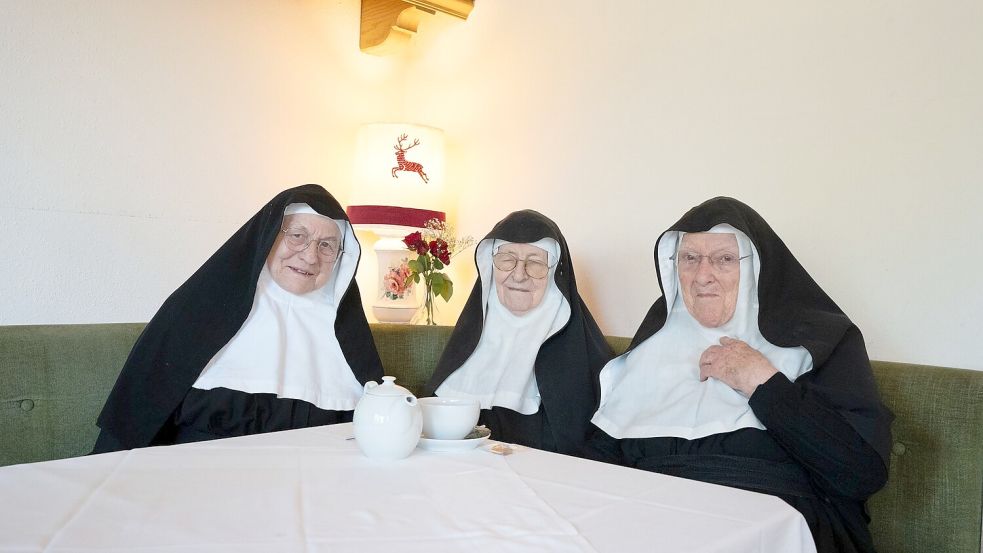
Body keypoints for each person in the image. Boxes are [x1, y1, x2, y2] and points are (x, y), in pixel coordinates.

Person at [589, 197, 893, 553]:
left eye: (724, 259)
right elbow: (596, 465)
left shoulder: (823, 342)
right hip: (652, 523)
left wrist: (763, 383)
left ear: (757, 268)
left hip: (772, 530)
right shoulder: (650, 350)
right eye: (689, 258)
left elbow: (859, 475)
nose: (702, 275)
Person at [93, 184, 383, 452]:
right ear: (269, 235)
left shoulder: (347, 337)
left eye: (327, 245)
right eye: (297, 236)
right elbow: (136, 417)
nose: (310, 256)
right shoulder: (198, 310)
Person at [424, 210, 613, 454]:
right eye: (507, 259)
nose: (519, 274)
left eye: (535, 262)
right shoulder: (468, 341)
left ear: (555, 272)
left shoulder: (587, 356)